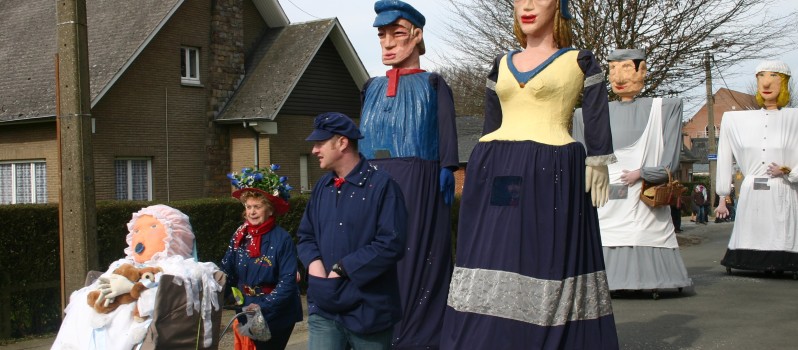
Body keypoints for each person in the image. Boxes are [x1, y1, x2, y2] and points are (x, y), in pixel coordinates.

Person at [441, 1, 619, 348]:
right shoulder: (501, 64)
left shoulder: (579, 60)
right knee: (491, 254)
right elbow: (490, 122)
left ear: (559, 6)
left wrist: (598, 160)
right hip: (495, 168)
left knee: (544, 258)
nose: (527, 5)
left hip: (551, 169)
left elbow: (597, 115)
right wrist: (479, 168)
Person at [359, 1, 458, 347]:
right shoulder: (369, 87)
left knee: (416, 251)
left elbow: (446, 130)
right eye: (381, 35)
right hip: (373, 180)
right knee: (375, 251)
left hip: (419, 179)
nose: (387, 43)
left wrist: (447, 167)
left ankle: (419, 332)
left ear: (416, 36)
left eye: (396, 34)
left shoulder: (433, 83)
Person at [572, 49, 692, 293]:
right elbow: (581, 159)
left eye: (626, 67)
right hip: (606, 201)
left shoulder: (664, 108)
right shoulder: (586, 116)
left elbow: (670, 163)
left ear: (642, 70)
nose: (618, 76)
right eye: (613, 69)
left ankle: (651, 278)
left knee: (643, 229)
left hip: (643, 200)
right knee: (606, 230)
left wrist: (644, 173)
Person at [296, 112, 408, 350]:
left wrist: (342, 268)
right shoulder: (322, 188)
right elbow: (305, 235)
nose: (315, 150)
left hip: (369, 311)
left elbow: (391, 243)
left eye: (320, 143)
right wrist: (314, 267)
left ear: (342, 142)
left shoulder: (383, 186)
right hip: (324, 308)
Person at [52, 205, 222, 350]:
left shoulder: (178, 268)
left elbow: (167, 294)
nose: (140, 235)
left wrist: (130, 289)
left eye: (153, 228)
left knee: (118, 327)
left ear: (175, 235)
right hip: (99, 314)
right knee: (80, 318)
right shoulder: (122, 264)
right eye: (137, 230)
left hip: (133, 319)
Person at [715, 60, 798, 274]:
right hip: (753, 190)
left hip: (781, 187)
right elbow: (724, 155)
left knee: (780, 227)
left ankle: (783, 259)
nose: (766, 83)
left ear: (784, 83)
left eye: (773, 77)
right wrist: (722, 197)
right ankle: (747, 256)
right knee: (753, 226)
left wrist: (789, 170)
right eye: (761, 77)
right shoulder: (736, 121)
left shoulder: (794, 119)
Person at [222, 165, 303, 350]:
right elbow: (227, 268)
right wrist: (221, 291)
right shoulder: (240, 235)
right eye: (248, 207)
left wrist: (263, 308)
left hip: (276, 312)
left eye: (257, 207)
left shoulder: (282, 239)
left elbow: (288, 282)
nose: (251, 212)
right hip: (245, 308)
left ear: (270, 210)